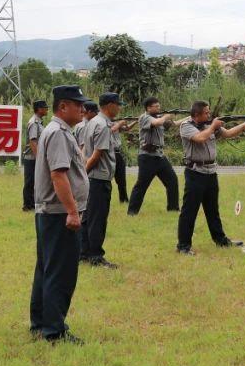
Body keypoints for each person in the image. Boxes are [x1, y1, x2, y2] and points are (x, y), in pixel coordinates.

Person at [29, 85, 92, 345]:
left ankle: (40, 324)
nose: (82, 109)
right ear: (63, 106)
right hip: (58, 214)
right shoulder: (58, 133)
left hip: (52, 213)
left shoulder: (59, 130)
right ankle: (54, 330)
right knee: (61, 272)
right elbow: (58, 175)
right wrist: (72, 212)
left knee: (47, 268)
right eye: (78, 105)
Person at [175, 101, 245, 254]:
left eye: (209, 112)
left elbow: (229, 133)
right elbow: (200, 138)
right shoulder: (186, 126)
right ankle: (183, 246)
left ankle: (220, 240)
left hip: (211, 172)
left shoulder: (209, 125)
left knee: (213, 210)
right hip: (195, 173)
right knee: (189, 211)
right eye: (206, 113)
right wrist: (213, 126)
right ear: (196, 114)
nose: (209, 114)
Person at [79, 93, 131, 269]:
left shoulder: (93, 122)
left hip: (93, 178)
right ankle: (96, 256)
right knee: (98, 219)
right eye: (118, 105)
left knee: (87, 218)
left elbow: (85, 149)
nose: (119, 108)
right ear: (109, 105)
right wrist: (84, 173)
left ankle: (83, 253)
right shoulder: (102, 125)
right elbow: (96, 154)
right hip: (99, 179)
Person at [127, 97, 179, 215]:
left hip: (159, 156)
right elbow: (157, 123)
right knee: (142, 185)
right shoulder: (144, 117)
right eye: (156, 106)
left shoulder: (158, 118)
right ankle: (132, 212)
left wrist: (190, 118)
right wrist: (166, 116)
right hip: (147, 157)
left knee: (172, 180)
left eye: (159, 106)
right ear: (148, 108)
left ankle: (173, 209)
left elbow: (175, 124)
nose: (159, 108)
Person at [21, 100, 48, 212]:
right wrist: (39, 158)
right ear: (39, 109)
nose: (47, 109)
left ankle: (33, 204)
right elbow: (33, 142)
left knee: (36, 181)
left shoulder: (39, 122)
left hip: (35, 157)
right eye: (45, 108)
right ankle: (27, 205)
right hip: (32, 158)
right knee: (30, 181)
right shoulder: (34, 123)